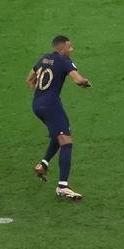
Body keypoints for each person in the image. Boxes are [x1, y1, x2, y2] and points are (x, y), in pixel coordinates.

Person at [27, 35, 91, 200]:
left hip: (37, 105)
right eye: (69, 47)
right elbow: (77, 80)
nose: (71, 49)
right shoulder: (63, 61)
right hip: (51, 105)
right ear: (61, 49)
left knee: (61, 132)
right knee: (66, 141)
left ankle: (43, 164)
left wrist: (42, 95)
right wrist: (85, 82)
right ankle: (63, 186)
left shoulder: (44, 59)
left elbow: (29, 80)